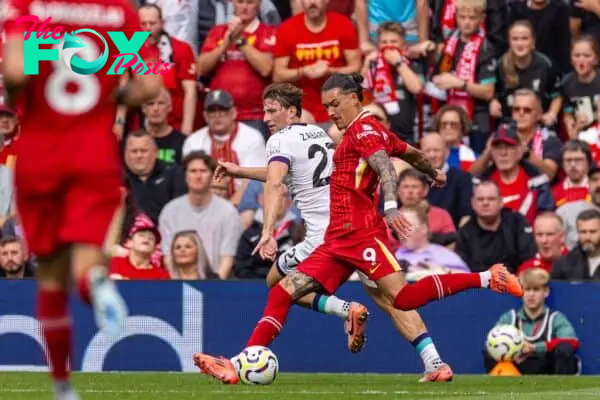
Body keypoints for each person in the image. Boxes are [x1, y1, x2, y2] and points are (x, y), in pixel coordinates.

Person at [193, 73, 523, 384]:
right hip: (337, 237)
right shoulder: (334, 132)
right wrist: (433, 171)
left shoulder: (361, 132)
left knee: (401, 297)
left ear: (353, 99)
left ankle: (486, 278)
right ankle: (237, 365)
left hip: (361, 234)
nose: (331, 112)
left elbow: (384, 167)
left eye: (335, 105)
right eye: (326, 107)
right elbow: (411, 153)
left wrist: (391, 205)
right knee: (283, 291)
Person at [2, 1, 162, 399]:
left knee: (52, 276)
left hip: (40, 153)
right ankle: (95, 281)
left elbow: (16, 72)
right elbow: (148, 85)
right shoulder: (118, 11)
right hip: (94, 152)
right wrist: (111, 97)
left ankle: (62, 388)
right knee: (88, 260)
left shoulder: (29, 6)